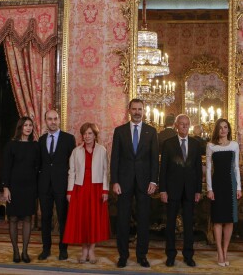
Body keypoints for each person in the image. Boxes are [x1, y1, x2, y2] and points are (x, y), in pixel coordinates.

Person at [110, 98, 159, 268]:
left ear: (143, 111)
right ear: (129, 110)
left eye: (140, 109)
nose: (137, 112)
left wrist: (154, 180)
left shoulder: (151, 132)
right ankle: (123, 255)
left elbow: (154, 160)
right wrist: (114, 181)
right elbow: (114, 158)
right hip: (123, 182)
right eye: (134, 109)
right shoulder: (120, 131)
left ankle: (141, 255)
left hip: (145, 183)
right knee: (122, 219)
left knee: (144, 219)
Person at [159, 114, 202, 268]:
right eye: (181, 124)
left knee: (189, 224)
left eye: (186, 124)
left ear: (189, 126)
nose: (184, 126)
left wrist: (198, 190)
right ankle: (170, 255)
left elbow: (198, 170)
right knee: (170, 224)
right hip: (172, 190)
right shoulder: (168, 144)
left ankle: (188, 255)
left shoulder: (196, 144)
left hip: (190, 191)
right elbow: (162, 169)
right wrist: (163, 190)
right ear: (176, 126)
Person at [63, 123, 110, 263]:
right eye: (85, 134)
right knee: (82, 221)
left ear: (95, 135)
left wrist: (105, 190)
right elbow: (71, 172)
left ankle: (92, 251)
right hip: (80, 189)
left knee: (94, 220)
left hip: (97, 189)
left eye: (90, 133)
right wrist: (69, 191)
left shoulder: (102, 150)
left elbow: (106, 172)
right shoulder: (76, 151)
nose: (87, 136)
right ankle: (84, 251)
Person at [38, 109, 76, 261]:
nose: (52, 122)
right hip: (44, 186)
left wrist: (71, 187)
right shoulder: (40, 140)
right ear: (45, 121)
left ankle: (63, 249)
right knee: (45, 218)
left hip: (62, 185)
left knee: (63, 218)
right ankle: (45, 249)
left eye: (55, 119)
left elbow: (72, 164)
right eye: (49, 119)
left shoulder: (68, 139)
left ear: (59, 120)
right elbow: (39, 164)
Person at [2, 117, 40, 263]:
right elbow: (6, 168)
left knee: (27, 218)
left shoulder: (35, 146)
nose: (28, 128)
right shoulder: (11, 145)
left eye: (30, 125)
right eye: (25, 125)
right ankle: (15, 252)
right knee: (13, 219)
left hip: (30, 187)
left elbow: (38, 167)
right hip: (14, 187)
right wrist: (6, 187)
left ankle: (25, 252)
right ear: (20, 127)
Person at [206, 118, 242, 266]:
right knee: (218, 219)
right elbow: (208, 169)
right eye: (220, 127)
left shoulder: (234, 145)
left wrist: (239, 187)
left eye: (225, 127)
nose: (223, 130)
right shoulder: (211, 146)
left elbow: (236, 168)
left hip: (231, 185)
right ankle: (219, 252)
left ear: (228, 129)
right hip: (217, 185)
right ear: (217, 130)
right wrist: (209, 189)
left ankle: (225, 251)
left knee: (229, 219)